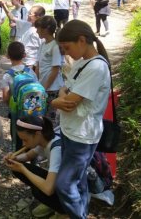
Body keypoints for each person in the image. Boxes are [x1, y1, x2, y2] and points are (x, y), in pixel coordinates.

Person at [51, 19, 111, 219]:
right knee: (78, 179)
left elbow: (70, 101)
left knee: (64, 184)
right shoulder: (83, 62)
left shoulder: (96, 68)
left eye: (67, 47)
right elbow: (65, 90)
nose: (66, 53)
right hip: (71, 129)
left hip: (82, 135)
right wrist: (61, 97)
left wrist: (54, 102)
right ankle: (82, 211)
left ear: (82, 40)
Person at [4, 116, 66, 218]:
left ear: (37, 134)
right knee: (21, 171)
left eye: (25, 140)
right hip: (61, 182)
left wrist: (23, 169)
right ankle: (54, 205)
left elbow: (48, 189)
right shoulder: (44, 140)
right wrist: (14, 158)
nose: (23, 144)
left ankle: (64, 212)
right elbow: (28, 156)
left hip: (73, 192)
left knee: (39, 191)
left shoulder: (56, 149)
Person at [0, 42, 38, 150]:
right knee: (31, 136)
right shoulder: (30, 71)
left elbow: (5, 98)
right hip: (32, 110)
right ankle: (33, 161)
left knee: (17, 139)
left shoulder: (7, 76)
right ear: (24, 55)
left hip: (16, 113)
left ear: (8, 56)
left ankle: (18, 161)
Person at [34, 16, 64, 127]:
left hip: (52, 88)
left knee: (51, 119)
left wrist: (44, 88)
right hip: (43, 87)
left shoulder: (55, 46)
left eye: (38, 28)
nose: (36, 31)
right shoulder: (42, 44)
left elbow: (55, 70)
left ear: (46, 29)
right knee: (41, 116)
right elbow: (38, 66)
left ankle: (53, 142)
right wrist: (36, 84)